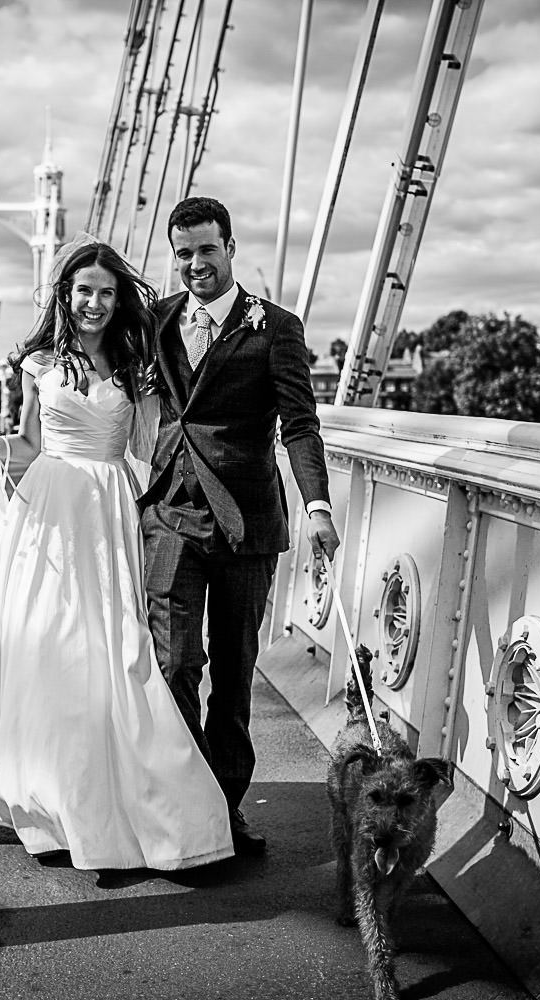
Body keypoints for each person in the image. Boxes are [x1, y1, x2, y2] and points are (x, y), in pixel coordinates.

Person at [0, 238, 234, 871]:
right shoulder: (37, 362)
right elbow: (30, 442)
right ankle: (56, 809)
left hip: (112, 506)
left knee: (117, 656)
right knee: (51, 650)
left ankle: (123, 808)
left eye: (107, 292)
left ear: (121, 300)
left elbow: (150, 438)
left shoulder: (134, 360)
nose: (94, 302)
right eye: (84, 290)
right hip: (49, 511)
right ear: (64, 294)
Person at [138, 196, 341, 855]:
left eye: (206, 249)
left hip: (247, 519)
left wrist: (317, 506)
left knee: (233, 670)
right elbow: (89, 358)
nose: (195, 263)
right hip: (170, 509)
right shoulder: (156, 320)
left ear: (229, 247)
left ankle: (222, 812)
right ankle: (181, 805)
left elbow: (301, 425)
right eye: (183, 253)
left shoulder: (276, 326)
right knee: (172, 663)